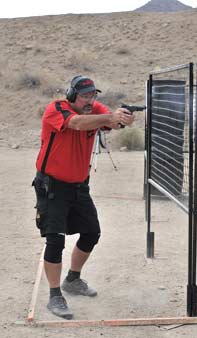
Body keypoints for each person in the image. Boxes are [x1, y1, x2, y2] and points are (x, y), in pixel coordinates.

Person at [32, 75, 135, 320]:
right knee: (55, 240)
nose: (91, 100)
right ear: (71, 96)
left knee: (92, 232)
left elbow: (112, 123)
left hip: (79, 186)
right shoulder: (56, 109)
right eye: (85, 96)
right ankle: (55, 295)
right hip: (52, 185)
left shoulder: (96, 109)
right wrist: (109, 118)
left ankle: (73, 279)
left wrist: (123, 119)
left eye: (93, 95)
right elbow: (77, 123)